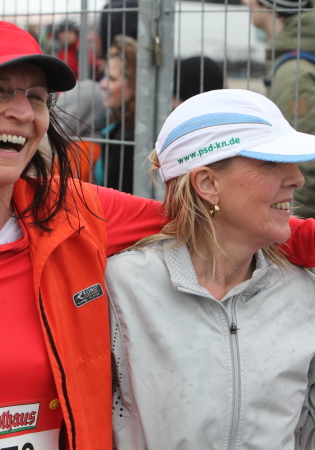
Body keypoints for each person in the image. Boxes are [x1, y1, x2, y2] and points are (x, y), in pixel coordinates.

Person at [0, 19, 315, 450]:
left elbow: (211, 217)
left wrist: (283, 226)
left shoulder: (73, 213)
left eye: (35, 97)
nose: (21, 111)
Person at [106, 89, 315, 448]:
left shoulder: (304, 294)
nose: (298, 178)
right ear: (207, 184)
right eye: (270, 162)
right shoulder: (121, 287)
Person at [243, 0, 315, 218]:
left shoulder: (293, 72)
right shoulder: (297, 60)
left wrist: (293, 224)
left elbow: (305, 161)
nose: (245, 2)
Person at [96, 34, 136, 192]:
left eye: (112, 79)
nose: (102, 84)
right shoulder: (117, 125)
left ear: (134, 84)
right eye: (104, 76)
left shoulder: (129, 140)